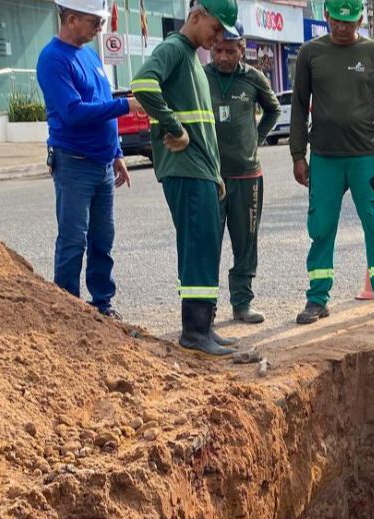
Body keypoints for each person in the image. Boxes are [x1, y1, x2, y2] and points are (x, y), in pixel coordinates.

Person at [132, 0, 241, 356]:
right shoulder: (173, 49)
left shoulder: (192, 57)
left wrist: (213, 172)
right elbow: (144, 85)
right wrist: (173, 127)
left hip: (200, 171)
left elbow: (202, 126)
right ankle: (195, 332)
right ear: (196, 16)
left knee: (205, 245)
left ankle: (204, 326)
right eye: (214, 29)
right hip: (185, 170)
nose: (216, 38)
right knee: (197, 247)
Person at [290, 0, 374, 324]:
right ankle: (317, 299)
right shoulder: (310, 54)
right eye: (336, 21)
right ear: (326, 16)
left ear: (359, 20)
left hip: (366, 157)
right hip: (325, 158)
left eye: (349, 22)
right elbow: (299, 107)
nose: (342, 28)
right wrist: (298, 155)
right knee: (321, 228)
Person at [37, 0, 143, 320]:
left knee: (102, 238)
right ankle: (67, 306)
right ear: (70, 19)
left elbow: (100, 102)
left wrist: (117, 154)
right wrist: (127, 106)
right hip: (74, 162)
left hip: (101, 162)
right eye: (94, 23)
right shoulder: (53, 59)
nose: (100, 29)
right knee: (73, 238)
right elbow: (73, 112)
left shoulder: (90, 55)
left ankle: (101, 304)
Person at [205, 21, 281, 324]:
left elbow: (273, 110)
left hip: (247, 176)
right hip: (210, 175)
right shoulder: (201, 77)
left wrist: (256, 138)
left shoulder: (253, 79)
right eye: (218, 50)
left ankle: (242, 302)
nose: (223, 57)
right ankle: (205, 306)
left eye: (230, 51)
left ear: (241, 49)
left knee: (245, 243)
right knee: (207, 242)